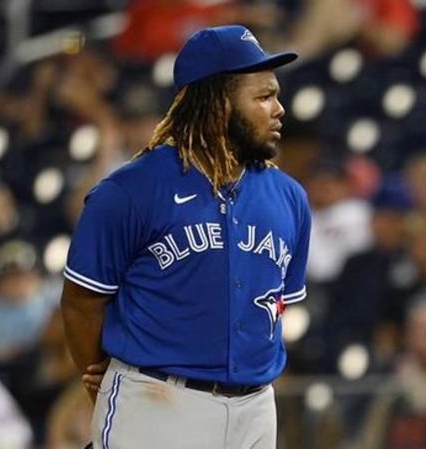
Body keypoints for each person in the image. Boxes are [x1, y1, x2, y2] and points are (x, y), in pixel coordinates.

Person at [60, 25, 310, 449]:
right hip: (158, 402)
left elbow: (275, 310)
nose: (279, 109)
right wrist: (109, 375)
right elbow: (81, 303)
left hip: (256, 408)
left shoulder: (290, 198)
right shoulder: (130, 191)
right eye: (264, 97)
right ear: (218, 105)